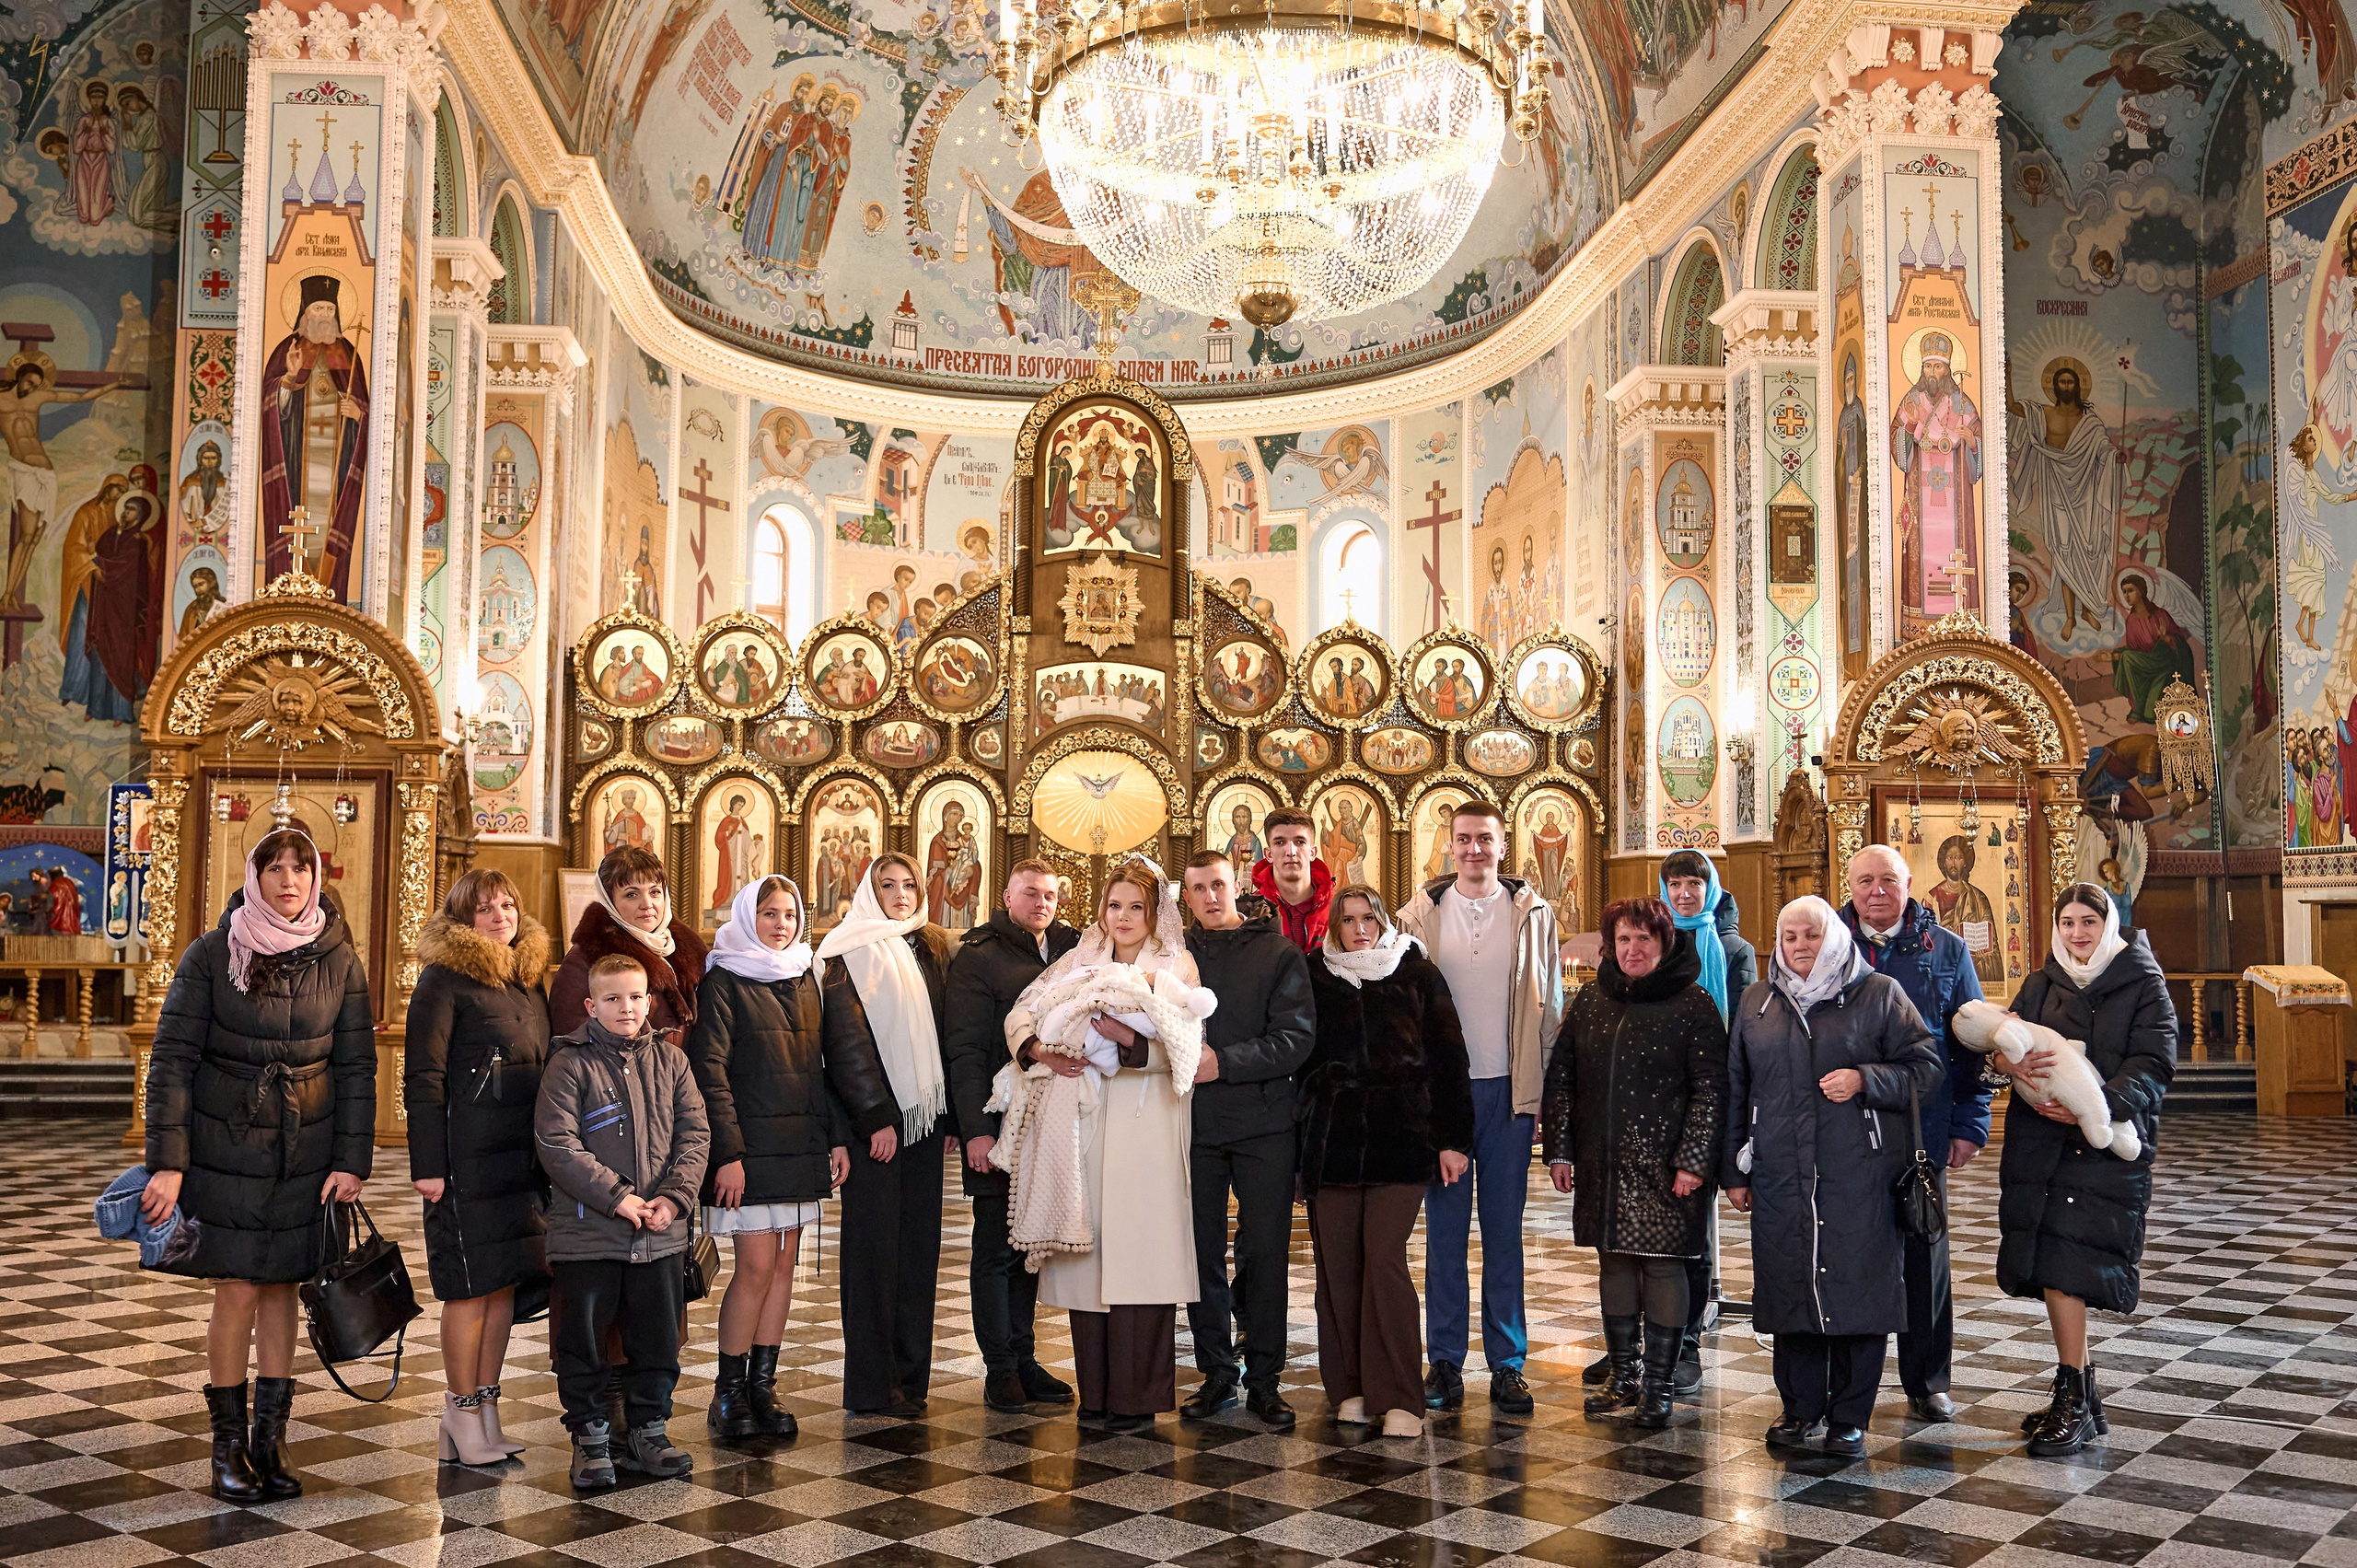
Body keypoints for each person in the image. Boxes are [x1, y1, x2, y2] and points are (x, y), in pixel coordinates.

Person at [141, 830, 373, 1502]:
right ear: (254, 876)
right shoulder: (214, 954)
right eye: (275, 868)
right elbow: (172, 1061)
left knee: (283, 1290)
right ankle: (226, 1447)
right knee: (238, 1288)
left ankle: (269, 1443)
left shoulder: (338, 957)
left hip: (306, 1150)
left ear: (317, 876)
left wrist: (352, 1159)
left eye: (301, 868)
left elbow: (357, 1065)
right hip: (226, 1145)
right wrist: (169, 1163)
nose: (289, 880)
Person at [1722, 897, 1940, 1457]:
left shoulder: (1879, 994)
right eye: (1790, 935)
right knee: (1790, 1289)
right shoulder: (1755, 1003)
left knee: (1858, 1293)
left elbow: (1927, 1068)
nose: (1799, 946)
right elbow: (1736, 1090)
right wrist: (1735, 1172)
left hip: (1859, 1174)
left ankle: (1849, 1416)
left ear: (1835, 939)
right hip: (1780, 1174)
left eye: (1812, 936)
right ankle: (1799, 1410)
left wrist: (1866, 1079)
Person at [1004, 858, 1207, 1431]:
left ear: (1154, 913)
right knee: (1091, 1263)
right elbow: (1024, 1011)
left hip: (1149, 1127)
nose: (1123, 917)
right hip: (1086, 1125)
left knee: (1141, 1262)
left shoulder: (1176, 964)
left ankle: (1137, 1399)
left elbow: (1190, 1047)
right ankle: (1095, 1393)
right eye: (1114, 906)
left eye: (1135, 907)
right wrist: (1038, 1051)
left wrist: (1128, 1041)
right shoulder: (1078, 959)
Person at [1986, 884, 2174, 1457]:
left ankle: (2073, 1396)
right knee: (2052, 1264)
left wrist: (2094, 1106)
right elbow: (2003, 1045)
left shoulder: (2143, 983)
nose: (2077, 933)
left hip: (2103, 1146)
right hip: (2039, 1144)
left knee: (2069, 1269)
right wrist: (1999, 1058)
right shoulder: (2042, 983)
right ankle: (2083, 1393)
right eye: (2066, 922)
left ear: (2109, 923)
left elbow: (2155, 1061)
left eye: (2088, 921)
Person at [1396, 801, 1562, 1415]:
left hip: (1508, 1092)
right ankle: (1444, 1358)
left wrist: (1543, 1096)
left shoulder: (1532, 913)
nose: (1473, 850)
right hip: (1445, 1094)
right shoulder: (1417, 915)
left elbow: (1549, 1004)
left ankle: (1508, 1362)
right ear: (1450, 844)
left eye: (1484, 840)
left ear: (1502, 843)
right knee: (1443, 1234)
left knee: (1503, 1233)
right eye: (1463, 839)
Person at [1545, 896, 1726, 1430]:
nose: (1632, 949)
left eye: (1644, 939)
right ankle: (1623, 1374)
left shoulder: (1693, 1004)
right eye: (1623, 939)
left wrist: (1693, 1161)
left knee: (1664, 1266)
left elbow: (1711, 1092)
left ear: (1665, 943)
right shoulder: (1592, 1001)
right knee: (1614, 1261)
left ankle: (1660, 1385)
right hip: (1604, 1160)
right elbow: (1562, 1079)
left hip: (1669, 1167)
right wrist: (1560, 1148)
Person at [1303, 886, 1474, 1439]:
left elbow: (1449, 1057)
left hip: (1402, 1138)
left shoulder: (1417, 973)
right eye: (1348, 920)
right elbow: (1300, 1064)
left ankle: (1401, 1394)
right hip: (1333, 1141)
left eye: (1368, 918)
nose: (1359, 929)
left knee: (1383, 1260)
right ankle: (1350, 1389)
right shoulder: (1316, 974)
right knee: (1338, 1268)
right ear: (1335, 926)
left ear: (1382, 921)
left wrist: (1453, 1139)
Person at [535, 954, 710, 1491]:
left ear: (649, 1001)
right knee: (584, 1342)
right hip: (590, 1234)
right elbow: (555, 1143)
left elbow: (695, 1135)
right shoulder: (569, 1064)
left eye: (635, 997)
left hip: (659, 1234)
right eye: (612, 998)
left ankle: (648, 1432)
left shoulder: (672, 1063)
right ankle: (590, 1439)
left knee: (657, 1340)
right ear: (591, 1005)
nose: (626, 1007)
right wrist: (619, 1199)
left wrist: (673, 1199)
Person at [1838, 844, 1995, 1423]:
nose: (1876, 891)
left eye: (1888, 880)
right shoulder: (1828, 946)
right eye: (1864, 881)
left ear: (1910, 885)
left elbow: (1973, 1043)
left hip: (1922, 1132)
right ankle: (1846, 1383)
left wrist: (1970, 1124)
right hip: (1845, 1130)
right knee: (1849, 1254)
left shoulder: (1947, 950)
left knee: (1925, 1258)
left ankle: (1928, 1380)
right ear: (1849, 886)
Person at [687, 876, 847, 1445]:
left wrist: (834, 1138)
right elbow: (710, 1070)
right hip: (748, 1151)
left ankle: (763, 1384)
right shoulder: (724, 978)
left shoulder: (806, 974)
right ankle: (726, 1391)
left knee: (784, 1270)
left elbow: (817, 1065)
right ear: (746, 915)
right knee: (753, 1269)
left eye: (789, 914)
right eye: (770, 913)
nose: (781, 924)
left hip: (799, 1144)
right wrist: (727, 1154)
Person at [405, 869, 554, 1466]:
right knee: (467, 1291)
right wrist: (429, 1165)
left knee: (501, 1289)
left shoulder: (527, 979)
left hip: (519, 1162)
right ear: (463, 920)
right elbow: (423, 1077)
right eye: (486, 908)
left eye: (508, 903)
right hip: (464, 1161)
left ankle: (485, 1407)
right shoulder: (444, 980)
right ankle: (460, 1406)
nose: (501, 915)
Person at [816, 854, 956, 1417]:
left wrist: (944, 1119)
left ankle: (911, 1379)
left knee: (918, 1253)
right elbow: (845, 1044)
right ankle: (873, 1385)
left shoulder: (931, 949)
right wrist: (875, 1119)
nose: (900, 894)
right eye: (887, 885)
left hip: (922, 1125)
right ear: (866, 891)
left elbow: (943, 1036)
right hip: (876, 1128)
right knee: (874, 1257)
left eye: (909, 885)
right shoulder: (846, 952)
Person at [1179, 852, 1315, 1428]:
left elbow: (1296, 1038)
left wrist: (1224, 1063)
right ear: (1185, 899)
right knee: (1200, 1254)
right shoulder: (1175, 958)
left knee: (1264, 1253)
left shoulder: (1277, 952)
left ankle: (1264, 1377)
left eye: (1218, 885)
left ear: (1236, 885)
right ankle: (1215, 1373)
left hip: (1264, 1124)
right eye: (1198, 890)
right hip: (1193, 1127)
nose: (1210, 897)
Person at [944, 861, 1081, 1412]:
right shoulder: (980, 955)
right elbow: (966, 1049)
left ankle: (1025, 1359)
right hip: (998, 1121)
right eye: (1030, 894)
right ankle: (998, 1367)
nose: (1041, 903)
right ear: (1007, 897)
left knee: (1028, 1247)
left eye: (1050, 895)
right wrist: (974, 1130)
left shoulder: (1070, 950)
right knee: (995, 1247)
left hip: (1053, 1123)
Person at [1648, 851, 1756, 1394]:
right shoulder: (1650, 940)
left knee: (1692, 1229)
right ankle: (1642, 1344)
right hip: (1652, 1103)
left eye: (1695, 883)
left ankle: (1686, 1342)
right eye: (1676, 883)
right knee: (1645, 1227)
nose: (1685, 893)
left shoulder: (1733, 950)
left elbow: (1741, 1033)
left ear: (1711, 888)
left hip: (1708, 1097)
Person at [552, 845, 709, 1040]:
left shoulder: (685, 951)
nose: (647, 904)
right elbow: (574, 1041)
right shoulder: (585, 959)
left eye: (654, 892)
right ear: (609, 902)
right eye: (631, 894)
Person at [1249, 807, 1333, 952]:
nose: (1291, 852)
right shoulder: (1249, 912)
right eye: (1280, 843)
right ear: (1268, 854)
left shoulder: (1339, 909)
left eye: (1300, 842)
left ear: (1312, 852)